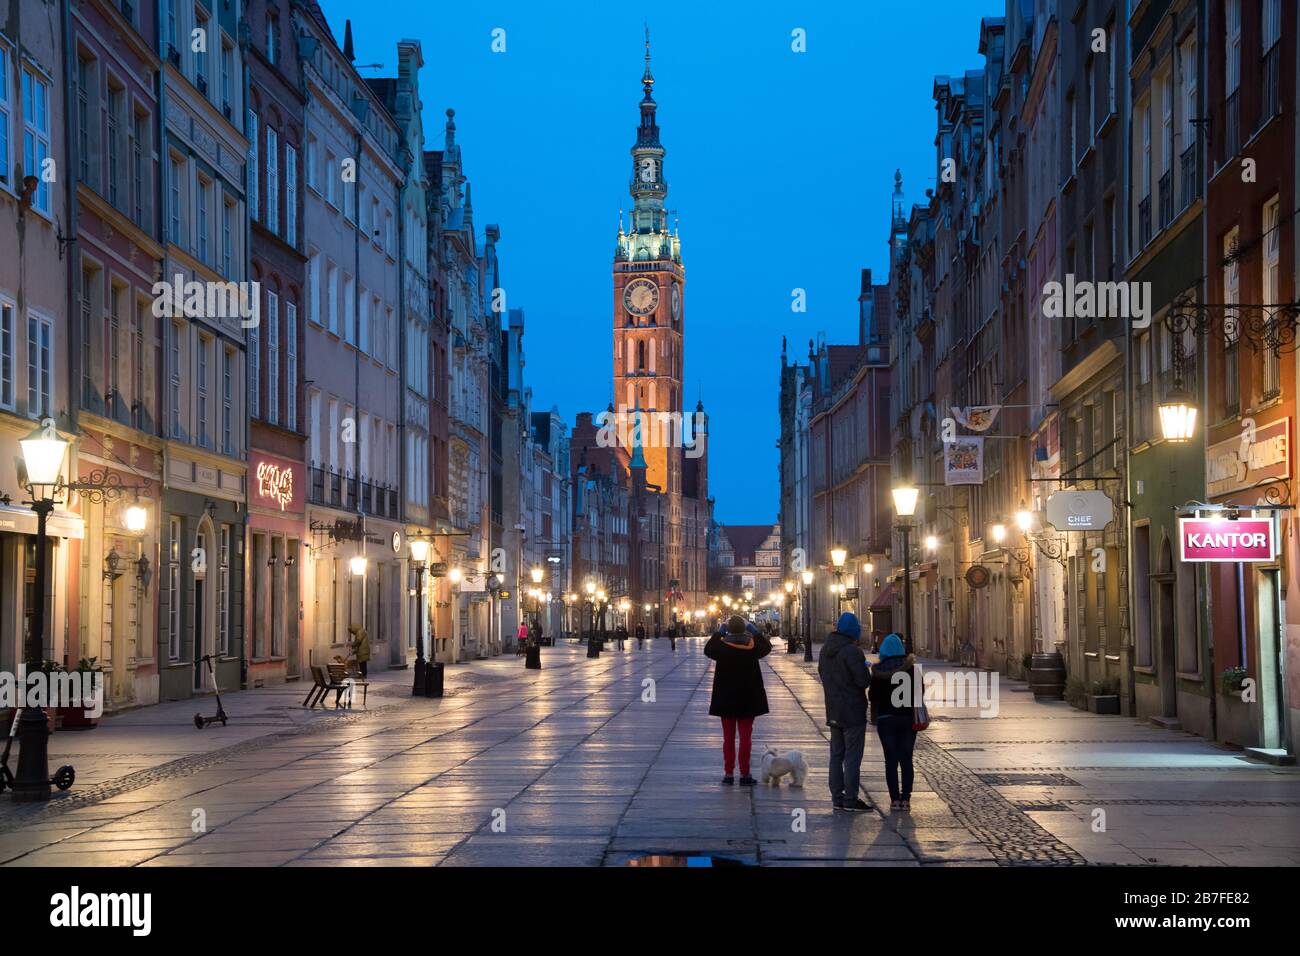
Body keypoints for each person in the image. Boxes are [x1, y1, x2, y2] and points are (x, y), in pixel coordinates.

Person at [703, 615, 772, 785]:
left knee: (728, 738)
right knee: (745, 738)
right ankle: (745, 773)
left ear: (728, 630)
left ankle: (728, 773)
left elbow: (708, 649)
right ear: (744, 629)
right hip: (748, 700)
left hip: (726, 700)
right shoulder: (753, 647)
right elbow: (767, 646)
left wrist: (719, 631)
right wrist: (754, 631)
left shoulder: (721, 647)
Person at [818, 612, 874, 812]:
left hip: (833, 709)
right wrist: (866, 668)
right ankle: (850, 799)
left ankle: (837, 797)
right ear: (853, 631)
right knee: (852, 757)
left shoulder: (826, 650)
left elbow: (824, 675)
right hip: (852, 711)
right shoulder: (852, 652)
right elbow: (863, 681)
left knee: (836, 755)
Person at [869, 633, 918, 811]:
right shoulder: (911, 669)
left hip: (886, 719)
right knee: (906, 759)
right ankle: (906, 799)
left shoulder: (879, 671)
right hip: (907, 719)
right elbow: (919, 692)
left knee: (890, 760)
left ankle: (894, 800)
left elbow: (872, 696)